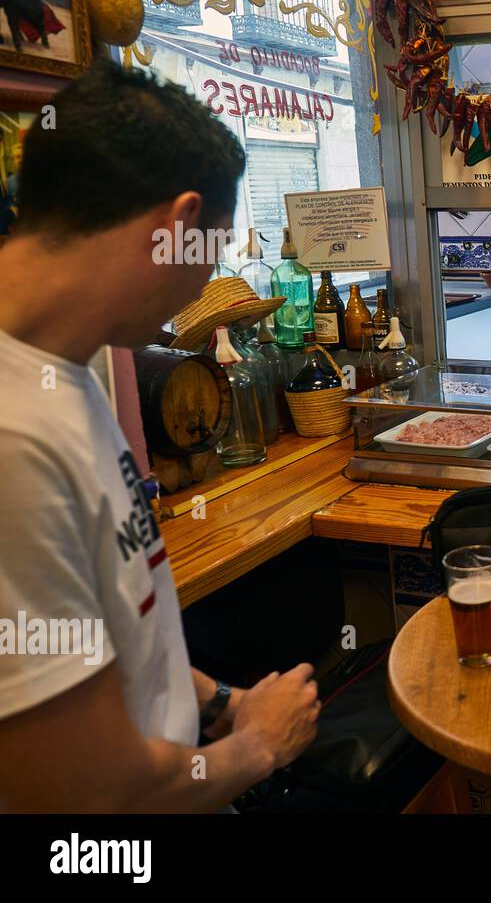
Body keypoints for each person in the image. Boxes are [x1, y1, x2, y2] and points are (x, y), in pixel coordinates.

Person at [0, 58, 319, 812]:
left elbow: (119, 621)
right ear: (176, 227)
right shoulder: (14, 435)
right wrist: (257, 747)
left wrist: (217, 703)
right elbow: (84, 795)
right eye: (212, 249)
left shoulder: (65, 367)